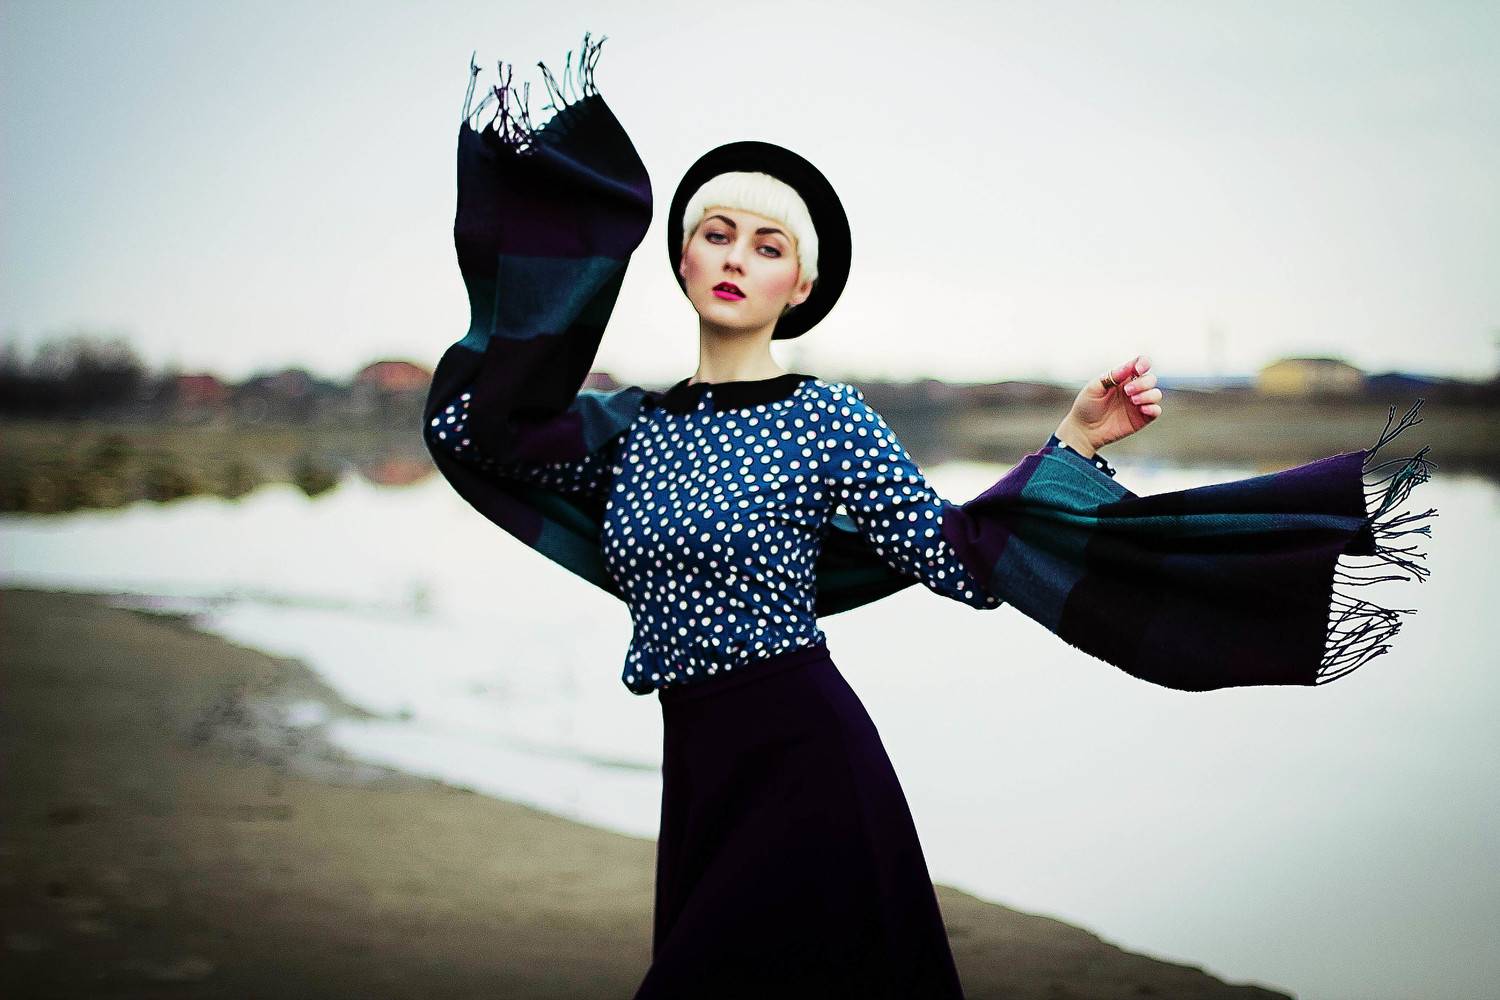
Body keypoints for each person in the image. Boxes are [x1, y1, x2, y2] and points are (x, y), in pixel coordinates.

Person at [423, 33, 1436, 998]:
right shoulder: (625, 433)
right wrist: (567, 240)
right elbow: (474, 431)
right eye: (715, 234)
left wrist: (1072, 443)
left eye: (768, 245)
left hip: (804, 761)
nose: (736, 257)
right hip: (698, 769)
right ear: (682, 259)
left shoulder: (825, 418)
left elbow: (960, 558)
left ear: (800, 284)